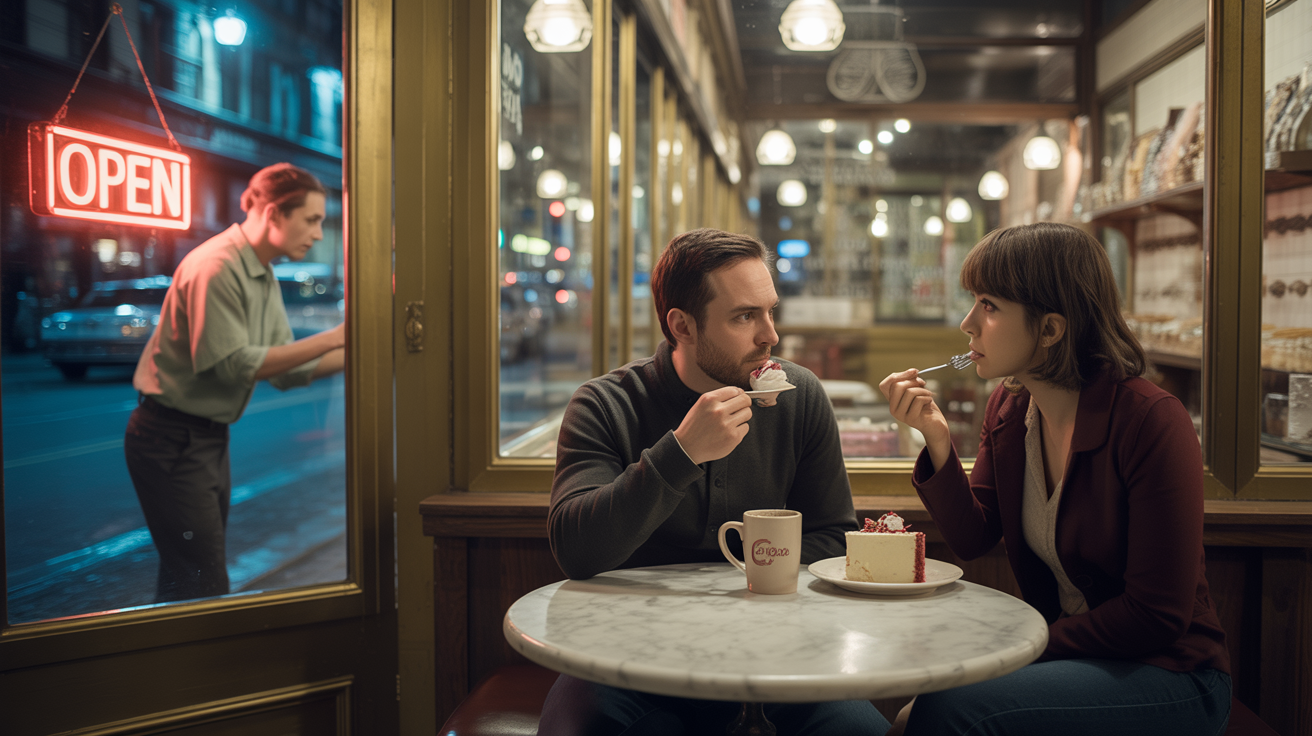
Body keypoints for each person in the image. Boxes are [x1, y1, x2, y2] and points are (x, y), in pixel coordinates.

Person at [879, 222, 1230, 735]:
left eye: (990, 306)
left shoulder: (1151, 420)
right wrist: (935, 439)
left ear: (1050, 329)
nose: (967, 323)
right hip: (1071, 659)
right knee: (919, 713)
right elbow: (975, 536)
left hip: (1171, 673)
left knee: (948, 710)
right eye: (973, 301)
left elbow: (1155, 616)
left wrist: (1025, 640)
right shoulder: (1010, 405)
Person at [540, 228, 890, 736]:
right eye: (745, 316)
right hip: (628, 657)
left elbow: (833, 536)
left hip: (778, 654)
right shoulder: (604, 404)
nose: (769, 334)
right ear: (682, 325)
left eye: (771, 311)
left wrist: (742, 586)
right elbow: (577, 550)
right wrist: (680, 453)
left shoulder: (797, 396)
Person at [125, 163, 346, 603]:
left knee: (189, 574)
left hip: (203, 439)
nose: (320, 233)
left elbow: (285, 371)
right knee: (199, 579)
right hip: (171, 439)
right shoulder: (217, 265)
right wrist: (336, 337)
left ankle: (176, 665)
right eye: (312, 220)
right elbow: (232, 364)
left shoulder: (261, 270)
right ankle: (188, 668)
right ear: (273, 215)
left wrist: (361, 354)